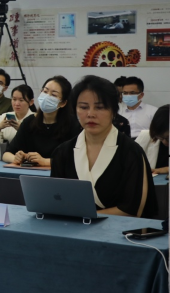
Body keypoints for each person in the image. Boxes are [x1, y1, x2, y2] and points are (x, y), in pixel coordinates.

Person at [51, 75, 157, 218]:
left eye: (100, 107)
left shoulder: (131, 152)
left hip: (119, 230)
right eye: (83, 107)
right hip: (70, 227)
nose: (90, 114)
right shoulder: (63, 152)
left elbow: (132, 209)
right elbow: (56, 201)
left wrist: (85, 218)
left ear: (114, 111)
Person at [3, 75, 81, 166]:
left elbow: (76, 159)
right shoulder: (29, 122)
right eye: (45, 91)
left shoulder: (73, 125)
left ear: (63, 103)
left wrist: (45, 161)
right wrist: (17, 158)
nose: (47, 97)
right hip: (30, 173)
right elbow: (6, 154)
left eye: (53, 95)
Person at [136, 104, 169, 175]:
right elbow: (127, 163)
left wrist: (166, 169)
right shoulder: (146, 137)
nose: (164, 142)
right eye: (161, 137)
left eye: (168, 138)